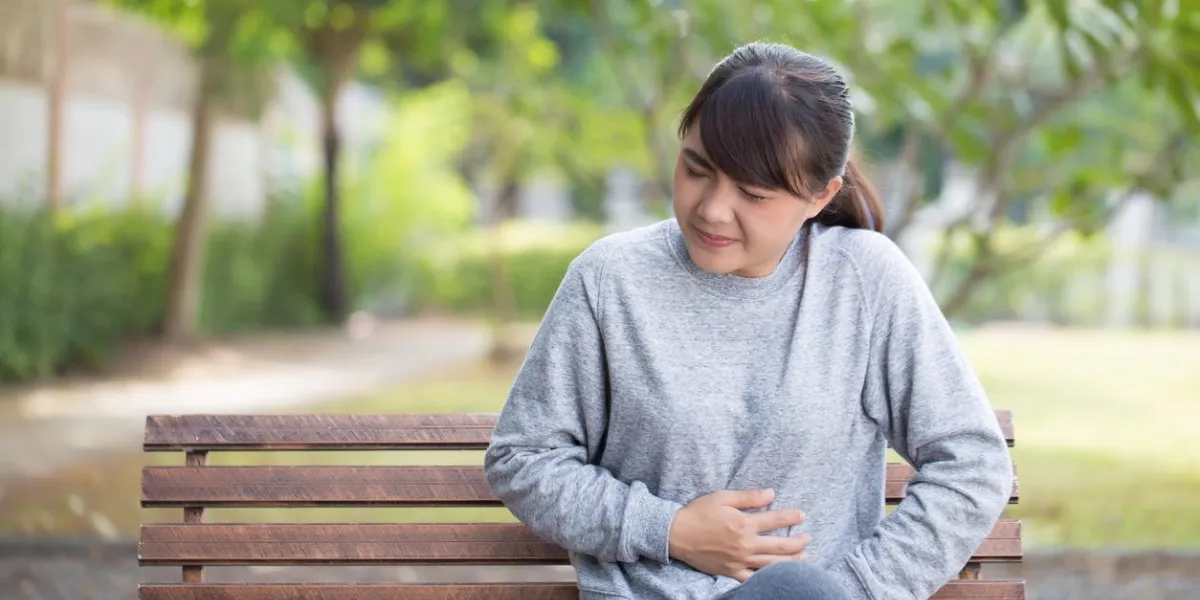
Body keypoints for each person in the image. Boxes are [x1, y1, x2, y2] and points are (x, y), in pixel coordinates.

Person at [483, 41, 1014, 600]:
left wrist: (853, 591)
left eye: (753, 193)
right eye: (696, 169)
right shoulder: (611, 280)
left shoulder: (864, 281)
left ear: (820, 196)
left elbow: (972, 466)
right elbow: (524, 459)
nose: (712, 208)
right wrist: (669, 530)